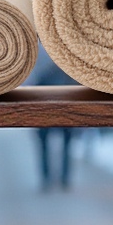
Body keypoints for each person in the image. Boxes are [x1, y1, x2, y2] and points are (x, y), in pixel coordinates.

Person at [33, 55, 76, 190]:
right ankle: (64, 178)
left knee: (45, 147)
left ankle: (47, 178)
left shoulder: (44, 73)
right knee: (66, 147)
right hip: (65, 115)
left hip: (46, 116)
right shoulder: (68, 74)